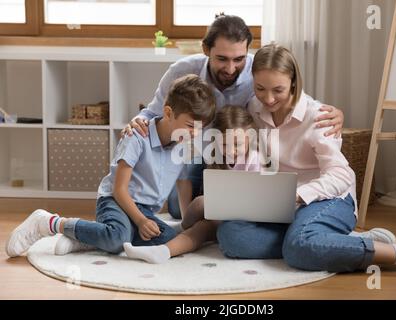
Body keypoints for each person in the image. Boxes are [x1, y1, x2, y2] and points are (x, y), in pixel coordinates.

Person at [216, 43, 396, 275]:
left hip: (328, 198)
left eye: (278, 90)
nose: (268, 99)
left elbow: (341, 175)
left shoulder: (318, 116)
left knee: (297, 249)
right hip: (278, 203)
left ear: (294, 82)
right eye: (260, 88)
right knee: (231, 236)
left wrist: (299, 195)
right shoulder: (252, 108)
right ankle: (330, 241)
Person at [122, 15, 345, 219]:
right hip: (199, 153)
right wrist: (138, 120)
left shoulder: (257, 70)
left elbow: (289, 93)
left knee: (216, 207)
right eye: (222, 59)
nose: (230, 68)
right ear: (205, 49)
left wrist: (335, 113)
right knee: (177, 208)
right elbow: (154, 112)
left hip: (239, 155)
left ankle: (217, 203)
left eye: (239, 59)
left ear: (248, 51)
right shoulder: (181, 71)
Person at [5, 74, 216, 257]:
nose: (195, 133)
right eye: (190, 126)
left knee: (170, 239)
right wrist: (141, 221)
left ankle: (88, 237)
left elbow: (182, 183)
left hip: (145, 211)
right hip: (115, 201)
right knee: (117, 238)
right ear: (168, 113)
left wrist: (185, 222)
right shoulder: (137, 137)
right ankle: (51, 223)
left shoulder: (185, 146)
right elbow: (119, 189)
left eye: (200, 128)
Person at [123, 105, 261, 263]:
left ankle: (171, 240)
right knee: (200, 211)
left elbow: (253, 199)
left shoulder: (254, 160)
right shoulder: (216, 159)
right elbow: (215, 197)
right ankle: (166, 247)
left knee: (203, 223)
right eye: (224, 145)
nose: (230, 151)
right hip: (222, 214)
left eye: (237, 145)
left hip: (244, 218)